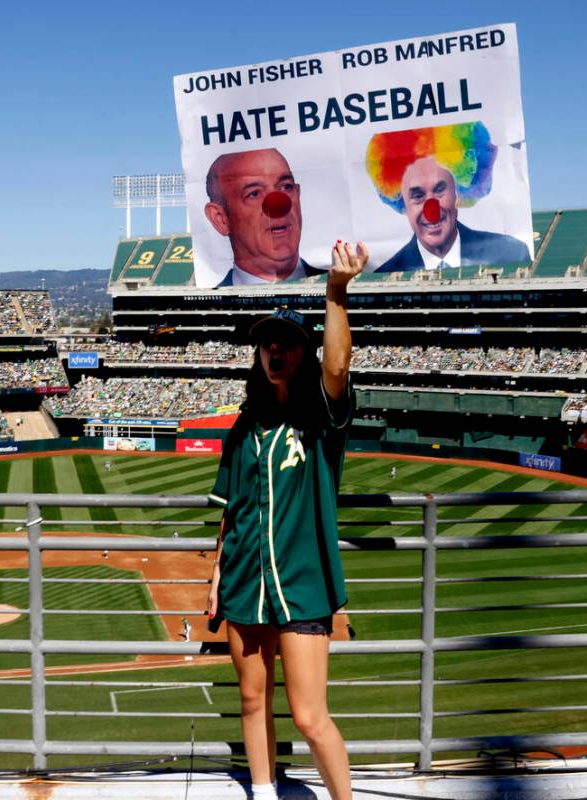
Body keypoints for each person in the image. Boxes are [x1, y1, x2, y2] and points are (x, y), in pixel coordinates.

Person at [206, 240, 366, 800]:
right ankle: (264, 791)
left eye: (288, 344)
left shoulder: (321, 416)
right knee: (252, 699)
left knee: (308, 715)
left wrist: (336, 292)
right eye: (267, 344)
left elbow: (339, 365)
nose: (275, 351)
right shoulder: (244, 428)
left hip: (301, 585)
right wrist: (217, 579)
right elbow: (232, 514)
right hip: (246, 583)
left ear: (304, 353)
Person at [366, 123, 530, 273]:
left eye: (439, 190)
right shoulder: (385, 273)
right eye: (417, 195)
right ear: (402, 202)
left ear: (457, 191)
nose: (431, 209)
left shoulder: (511, 254)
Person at [204, 148, 326, 287]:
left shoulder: (336, 285)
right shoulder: (213, 303)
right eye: (254, 194)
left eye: (286, 187)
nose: (278, 204)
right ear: (221, 219)